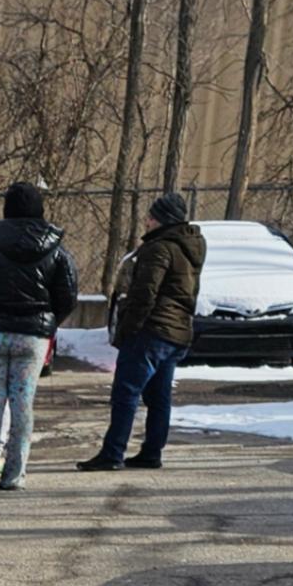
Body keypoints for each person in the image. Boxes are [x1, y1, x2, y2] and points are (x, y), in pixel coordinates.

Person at [0, 181, 80, 493]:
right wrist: (47, 323)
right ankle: (14, 476)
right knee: (23, 404)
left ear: (7, 211)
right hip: (32, 339)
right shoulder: (57, 252)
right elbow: (68, 297)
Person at [79, 192, 205, 472]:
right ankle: (151, 452)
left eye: (151, 216)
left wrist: (128, 328)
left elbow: (144, 293)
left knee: (126, 393)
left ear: (162, 220)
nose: (147, 221)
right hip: (176, 332)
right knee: (159, 397)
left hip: (151, 331)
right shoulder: (190, 248)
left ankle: (113, 452)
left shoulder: (158, 249)